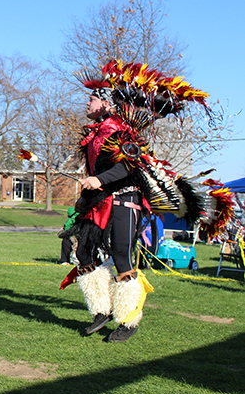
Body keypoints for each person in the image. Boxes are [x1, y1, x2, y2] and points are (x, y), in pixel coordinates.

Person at [60, 60, 216, 343]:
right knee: (82, 251)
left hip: (124, 200)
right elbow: (97, 172)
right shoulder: (95, 134)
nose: (87, 101)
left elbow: (128, 167)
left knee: (121, 256)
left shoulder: (121, 132)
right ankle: (101, 309)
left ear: (106, 103)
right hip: (100, 202)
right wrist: (88, 193)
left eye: (92, 98)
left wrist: (99, 180)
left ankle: (129, 320)